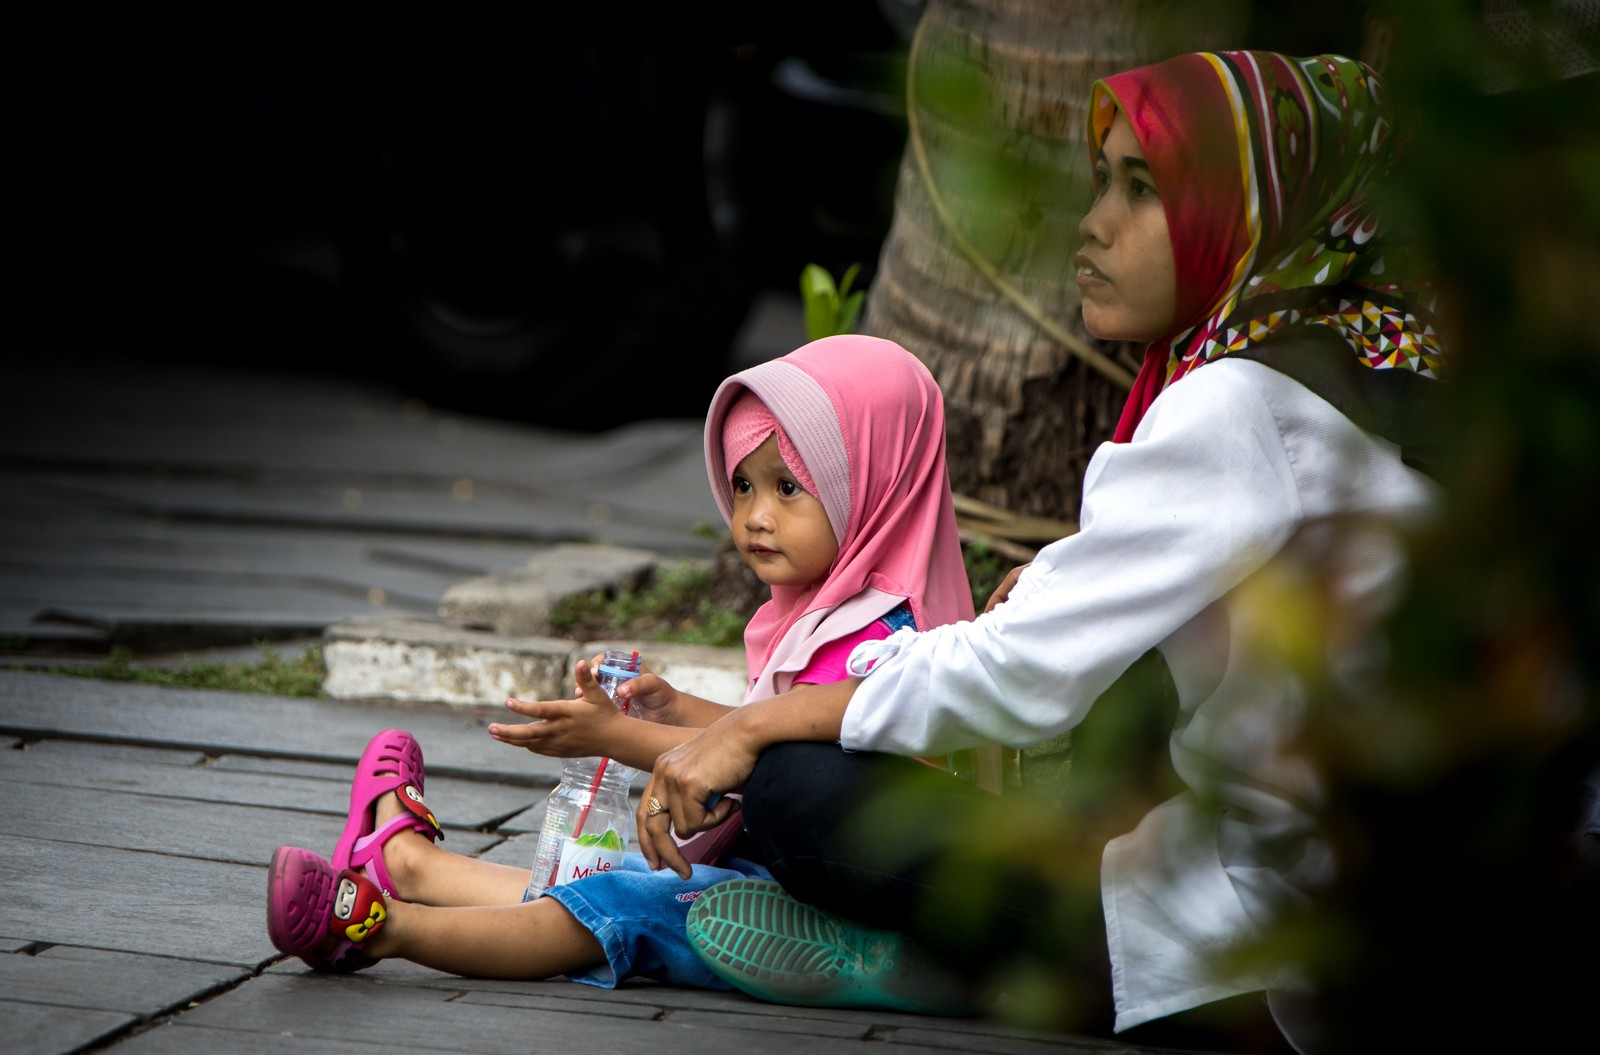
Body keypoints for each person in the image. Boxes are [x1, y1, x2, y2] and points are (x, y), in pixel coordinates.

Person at [638, 51, 1445, 1052]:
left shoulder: (1235, 401)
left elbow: (1020, 671)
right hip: (1395, 899)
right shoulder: (1366, 370)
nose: (1092, 224)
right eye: (1102, 181)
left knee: (799, 787)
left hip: (1272, 938)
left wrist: (757, 723)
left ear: (1250, 214)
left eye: (1143, 190)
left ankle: (932, 965)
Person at [263, 334, 984, 1001]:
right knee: (615, 879)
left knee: (618, 901)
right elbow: (780, 735)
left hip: (837, 901)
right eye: (742, 486)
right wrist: (681, 710)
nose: (755, 516)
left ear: (874, 480)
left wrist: (615, 737)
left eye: (788, 487)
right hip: (784, 873)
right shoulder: (835, 611)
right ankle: (409, 867)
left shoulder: (887, 641)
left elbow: (797, 779)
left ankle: (376, 928)